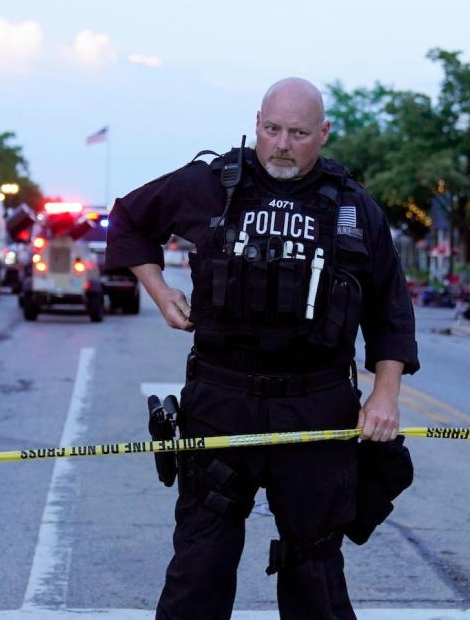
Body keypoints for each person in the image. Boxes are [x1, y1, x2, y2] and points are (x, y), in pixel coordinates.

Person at [105, 77, 419, 620]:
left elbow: (390, 308)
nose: (281, 144)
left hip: (315, 406)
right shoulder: (214, 183)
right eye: (271, 129)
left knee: (315, 567)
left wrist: (384, 395)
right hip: (221, 400)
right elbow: (129, 219)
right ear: (256, 123)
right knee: (199, 565)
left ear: (323, 133)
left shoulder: (351, 206)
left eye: (298, 133)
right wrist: (159, 292)